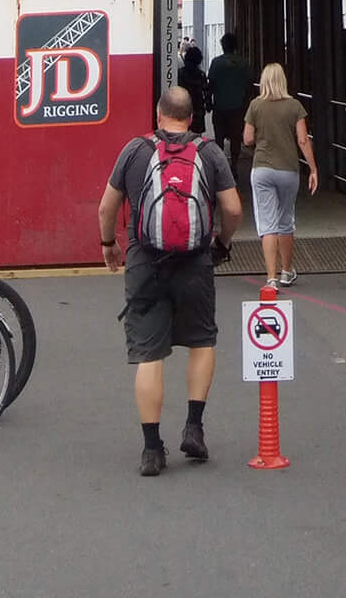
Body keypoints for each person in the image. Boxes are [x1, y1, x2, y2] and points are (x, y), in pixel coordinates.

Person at [97, 84, 242, 474]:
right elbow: (232, 208)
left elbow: (107, 207)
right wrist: (222, 243)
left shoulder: (135, 150)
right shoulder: (209, 152)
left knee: (150, 354)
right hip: (195, 262)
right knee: (201, 341)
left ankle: (151, 449)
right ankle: (194, 427)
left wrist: (109, 244)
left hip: (146, 263)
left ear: (158, 115)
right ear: (192, 118)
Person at [242, 61, 320, 287]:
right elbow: (303, 140)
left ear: (264, 82)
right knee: (286, 221)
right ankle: (286, 271)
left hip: (262, 169)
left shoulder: (255, 105)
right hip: (288, 170)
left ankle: (271, 278)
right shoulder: (295, 106)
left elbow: (247, 139)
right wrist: (313, 169)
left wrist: (262, 137)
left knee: (268, 225)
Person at [208, 31, 253, 162]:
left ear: (223, 46)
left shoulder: (216, 62)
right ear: (235, 46)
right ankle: (234, 164)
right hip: (238, 107)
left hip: (220, 106)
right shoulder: (243, 63)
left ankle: (219, 164)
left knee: (219, 138)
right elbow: (249, 85)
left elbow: (211, 85)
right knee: (236, 137)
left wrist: (208, 102)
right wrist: (245, 103)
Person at [177, 40, 211, 139]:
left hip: (182, 107)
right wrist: (208, 104)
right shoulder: (201, 75)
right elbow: (206, 91)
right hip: (197, 109)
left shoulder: (179, 74)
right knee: (196, 138)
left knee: (182, 135)